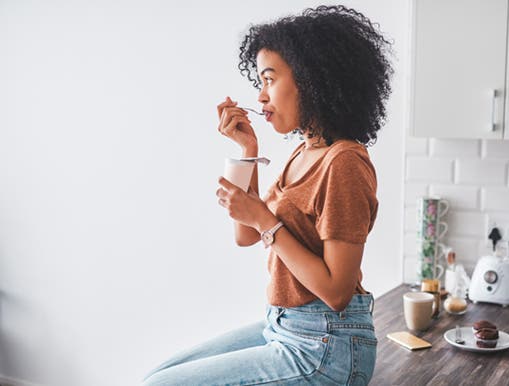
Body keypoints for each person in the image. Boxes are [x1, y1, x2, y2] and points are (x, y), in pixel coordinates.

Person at [142, 5, 393, 385]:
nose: (260, 97)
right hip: (286, 326)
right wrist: (248, 150)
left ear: (311, 79)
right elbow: (245, 235)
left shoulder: (343, 163)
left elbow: (336, 291)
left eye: (269, 79)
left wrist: (263, 218)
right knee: (159, 375)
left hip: (328, 347)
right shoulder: (303, 151)